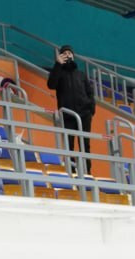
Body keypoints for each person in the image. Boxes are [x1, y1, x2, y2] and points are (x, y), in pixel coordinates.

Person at [47, 45, 95, 175]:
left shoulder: (81, 74)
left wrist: (91, 109)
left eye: (69, 53)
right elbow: (51, 84)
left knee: (85, 144)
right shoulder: (59, 73)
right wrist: (58, 65)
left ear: (73, 56)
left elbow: (90, 92)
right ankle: (72, 171)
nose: (68, 55)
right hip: (68, 116)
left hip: (84, 115)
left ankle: (87, 172)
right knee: (69, 145)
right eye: (64, 53)